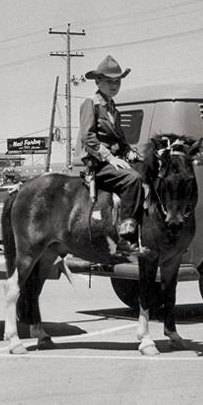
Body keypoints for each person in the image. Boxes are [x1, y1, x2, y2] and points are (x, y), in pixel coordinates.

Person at [78, 55, 143, 256]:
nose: (114, 85)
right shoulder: (92, 103)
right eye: (109, 81)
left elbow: (121, 141)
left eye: (117, 81)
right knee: (133, 178)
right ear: (98, 82)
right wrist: (109, 157)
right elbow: (88, 137)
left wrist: (132, 153)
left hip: (113, 160)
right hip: (97, 162)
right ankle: (125, 238)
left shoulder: (114, 108)